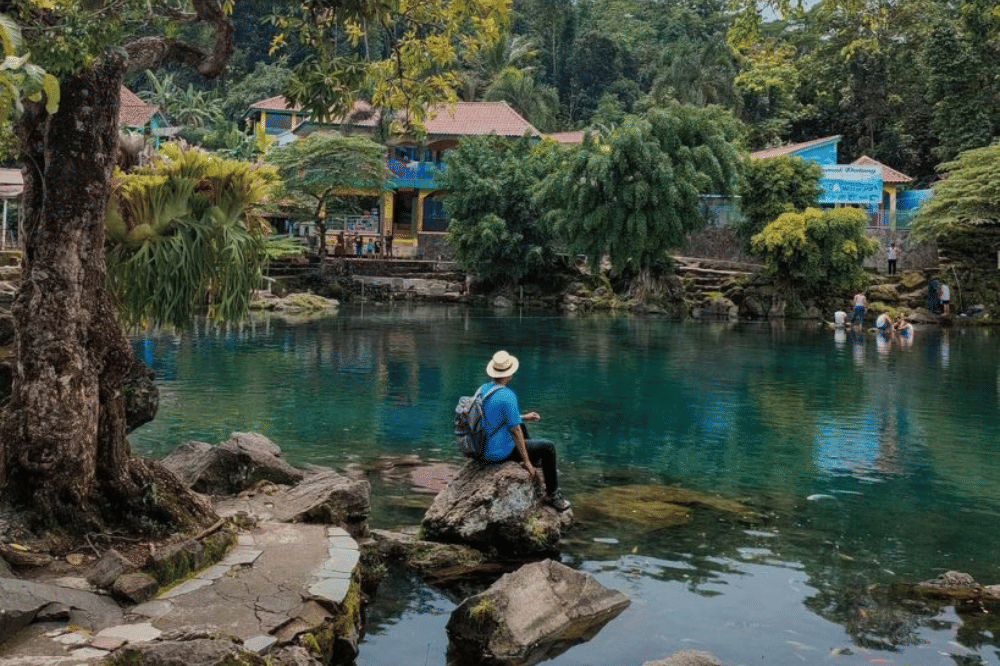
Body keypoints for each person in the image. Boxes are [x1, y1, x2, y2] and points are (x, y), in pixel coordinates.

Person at [477, 350, 571, 512]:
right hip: (496, 453)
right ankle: (552, 495)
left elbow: (497, 417)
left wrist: (525, 417)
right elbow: (514, 431)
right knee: (548, 447)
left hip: (482, 447)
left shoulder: (483, 389)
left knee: (521, 423)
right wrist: (527, 463)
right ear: (510, 373)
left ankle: (534, 460)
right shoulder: (507, 395)